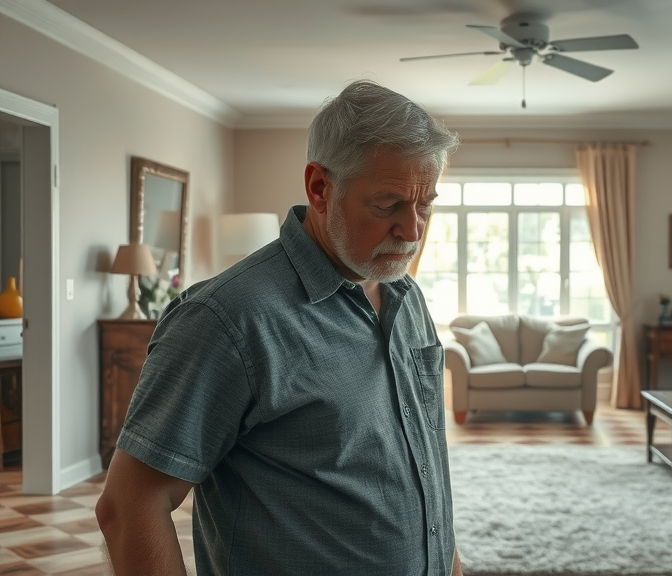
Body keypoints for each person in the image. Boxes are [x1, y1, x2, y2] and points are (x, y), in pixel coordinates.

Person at [96, 80, 463, 576]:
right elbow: (129, 507)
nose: (414, 230)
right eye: (388, 205)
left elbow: (428, 465)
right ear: (320, 188)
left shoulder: (406, 295)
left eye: (425, 204)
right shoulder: (226, 319)